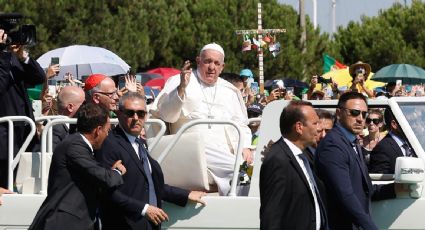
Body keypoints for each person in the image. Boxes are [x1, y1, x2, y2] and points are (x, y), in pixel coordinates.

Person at [96, 92, 206, 230]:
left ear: (146, 116)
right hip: (124, 224)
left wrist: (186, 194)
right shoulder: (109, 144)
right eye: (130, 113)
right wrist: (144, 209)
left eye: (141, 114)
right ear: (119, 113)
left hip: (148, 224)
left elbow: (151, 184)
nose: (136, 118)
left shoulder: (139, 144)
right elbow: (105, 191)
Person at [154, 43, 252, 195]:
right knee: (240, 170)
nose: (212, 67)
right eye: (208, 61)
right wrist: (181, 88)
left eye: (216, 63)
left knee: (255, 170)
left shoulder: (229, 90)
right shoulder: (180, 81)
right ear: (198, 61)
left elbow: (241, 124)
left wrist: (245, 146)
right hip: (192, 147)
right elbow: (166, 115)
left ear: (222, 67)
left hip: (226, 150)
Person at [29, 103, 127, 230]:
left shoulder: (78, 145)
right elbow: (104, 178)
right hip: (63, 223)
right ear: (98, 130)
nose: (107, 135)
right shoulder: (74, 146)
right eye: (107, 130)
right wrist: (117, 172)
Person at [315, 92, 396, 230]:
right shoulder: (333, 145)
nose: (360, 119)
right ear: (339, 113)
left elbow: (365, 189)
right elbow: (345, 195)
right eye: (354, 113)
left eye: (364, 114)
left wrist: (396, 188)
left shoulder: (352, 142)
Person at [260, 100, 328, 230]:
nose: (319, 128)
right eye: (315, 123)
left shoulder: (306, 155)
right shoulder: (278, 160)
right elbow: (272, 215)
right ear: (299, 127)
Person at [0, 29, 46, 188]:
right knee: (5, 181)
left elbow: (39, 77)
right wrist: (3, 54)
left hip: (25, 130)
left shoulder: (12, 58)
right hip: (5, 132)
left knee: (25, 182)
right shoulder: (5, 58)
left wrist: (23, 56)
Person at [369, 109, 416, 174]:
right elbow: (380, 182)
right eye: (411, 122)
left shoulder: (413, 144)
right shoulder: (382, 149)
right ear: (394, 124)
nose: (415, 125)